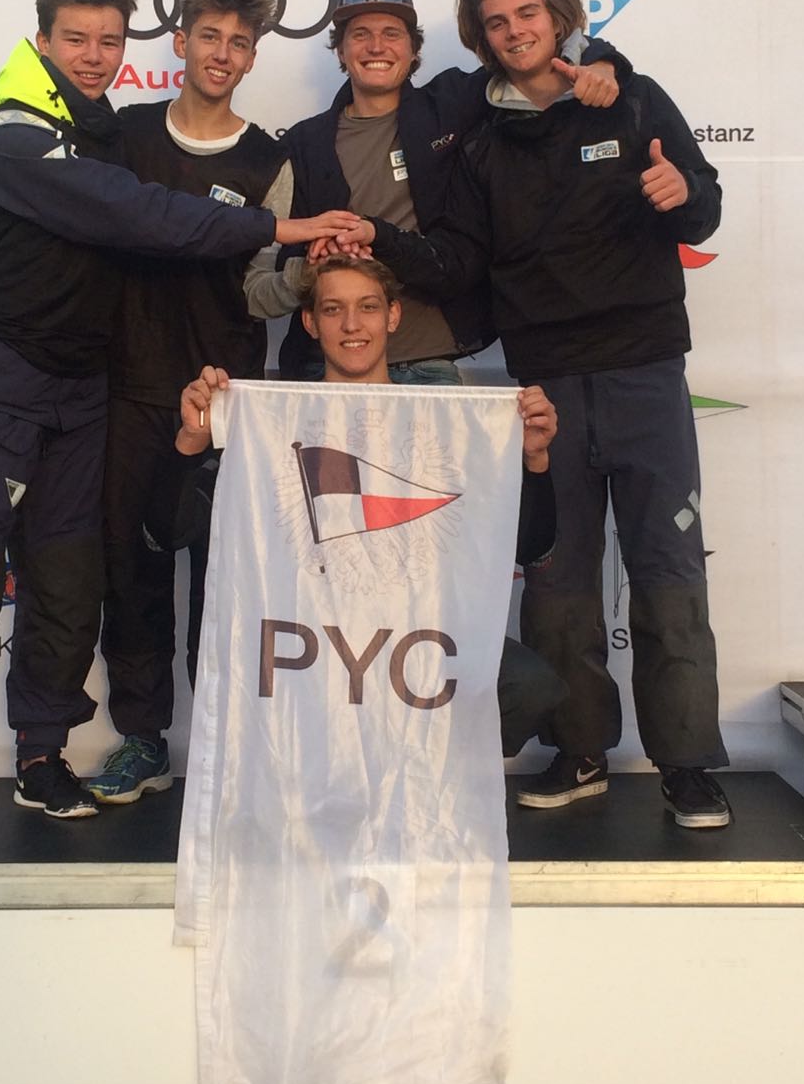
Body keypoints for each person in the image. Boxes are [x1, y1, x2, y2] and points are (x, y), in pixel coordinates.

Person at [0, 0, 357, 837]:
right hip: (22, 381)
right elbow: (135, 213)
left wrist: (294, 270)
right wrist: (279, 227)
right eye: (76, 39)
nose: (93, 56)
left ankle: (44, 758)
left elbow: (245, 282)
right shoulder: (42, 135)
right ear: (45, 42)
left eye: (106, 42)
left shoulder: (108, 135)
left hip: (126, 391)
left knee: (72, 584)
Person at [333, 0, 731, 828]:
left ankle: (689, 766)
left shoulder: (629, 96)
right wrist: (379, 243)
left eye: (527, 14)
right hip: (543, 379)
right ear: (480, 38)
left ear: (558, 16)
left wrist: (682, 193)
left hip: (644, 369)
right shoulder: (476, 127)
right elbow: (461, 260)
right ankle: (578, 750)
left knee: (667, 570)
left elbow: (703, 209)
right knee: (557, 578)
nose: (515, 32)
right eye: (497, 22)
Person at [179, 253, 590, 802]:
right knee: (232, 663)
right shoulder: (272, 419)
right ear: (310, 322)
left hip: (408, 640)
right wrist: (189, 445)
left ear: (393, 316)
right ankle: (314, 793)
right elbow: (166, 532)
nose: (352, 325)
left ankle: (415, 788)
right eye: (333, 310)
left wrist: (534, 462)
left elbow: (532, 547)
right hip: (311, 640)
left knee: (528, 685)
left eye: (368, 307)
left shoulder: (446, 423)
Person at [89, 0, 291, 805]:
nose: (222, 53)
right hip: (127, 389)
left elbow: (265, 288)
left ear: (252, 58)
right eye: (209, 36)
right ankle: (142, 740)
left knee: (224, 580)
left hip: (228, 398)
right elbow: (69, 226)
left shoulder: (270, 159)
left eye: (239, 43)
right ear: (180, 42)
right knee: (131, 571)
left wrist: (308, 279)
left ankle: (220, 743)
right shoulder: (122, 132)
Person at [245, 0, 625, 384]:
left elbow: (527, 57)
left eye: (392, 33)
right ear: (341, 50)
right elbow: (275, 260)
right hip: (327, 366)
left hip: (430, 365)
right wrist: (314, 262)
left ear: (414, 50)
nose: (376, 46)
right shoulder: (304, 142)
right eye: (360, 34)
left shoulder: (453, 104)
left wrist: (600, 59)